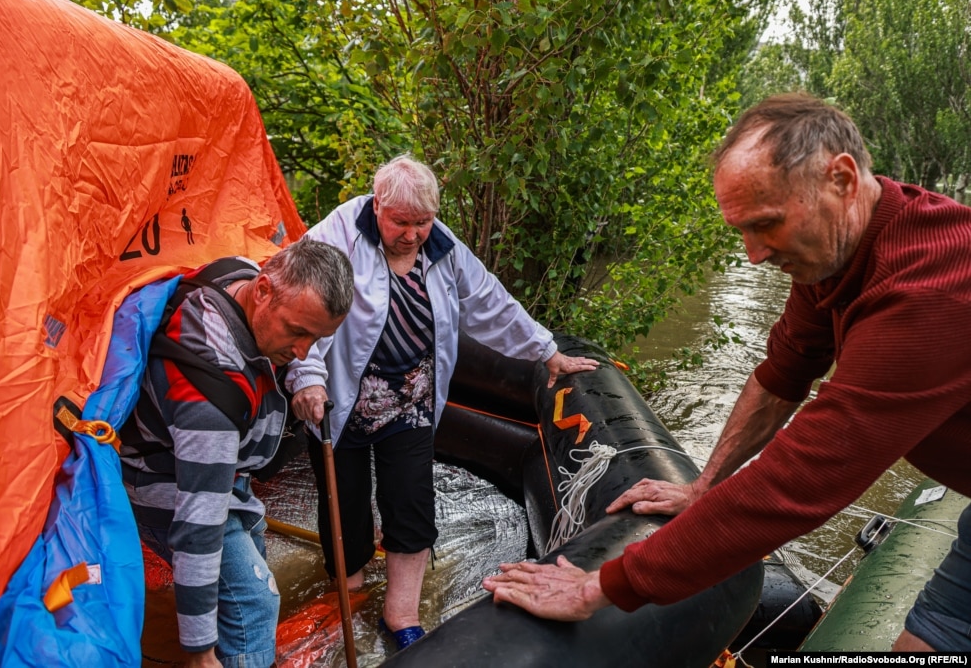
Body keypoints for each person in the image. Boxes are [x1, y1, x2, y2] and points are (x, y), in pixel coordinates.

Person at [483, 93, 971, 652]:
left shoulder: (930, 294)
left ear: (840, 179)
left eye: (766, 225)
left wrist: (602, 585)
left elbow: (805, 477)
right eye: (741, 229)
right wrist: (702, 486)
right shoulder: (840, 253)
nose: (754, 255)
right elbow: (781, 374)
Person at [286, 153, 599, 650]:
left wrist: (546, 351)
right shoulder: (337, 233)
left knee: (411, 502)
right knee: (342, 504)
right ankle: (347, 592)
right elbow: (301, 303)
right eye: (400, 223)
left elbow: (489, 302)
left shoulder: (443, 246)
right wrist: (306, 374)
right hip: (341, 396)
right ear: (377, 204)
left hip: (411, 398)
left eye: (423, 222)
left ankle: (400, 614)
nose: (412, 234)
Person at [119, 238, 354, 668]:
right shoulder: (208, 398)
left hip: (228, 477)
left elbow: (301, 347)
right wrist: (199, 648)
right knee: (253, 602)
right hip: (165, 485)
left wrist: (306, 375)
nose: (301, 350)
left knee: (253, 575)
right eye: (297, 332)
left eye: (316, 338)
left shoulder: (241, 272)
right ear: (263, 290)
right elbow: (198, 528)